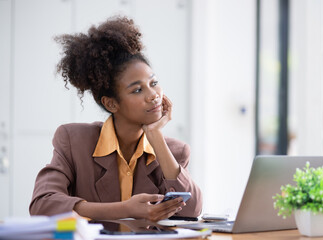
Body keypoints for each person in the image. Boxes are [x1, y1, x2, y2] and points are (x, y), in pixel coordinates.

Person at [29, 16, 202, 222]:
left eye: (153, 82)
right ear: (112, 104)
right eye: (137, 89)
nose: (153, 95)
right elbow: (42, 204)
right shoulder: (74, 141)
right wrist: (124, 209)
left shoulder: (174, 151)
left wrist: (155, 136)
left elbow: (192, 210)